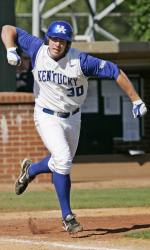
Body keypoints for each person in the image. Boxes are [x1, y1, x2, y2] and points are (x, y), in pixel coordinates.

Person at [1, 21, 147, 234]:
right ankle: (67, 216)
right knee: (63, 160)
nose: (57, 44)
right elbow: (7, 29)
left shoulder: (81, 61)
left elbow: (115, 71)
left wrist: (136, 100)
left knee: (61, 161)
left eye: (62, 41)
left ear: (68, 44)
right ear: (47, 38)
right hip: (46, 114)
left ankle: (30, 170)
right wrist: (10, 48)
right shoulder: (36, 48)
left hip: (73, 118)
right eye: (54, 39)